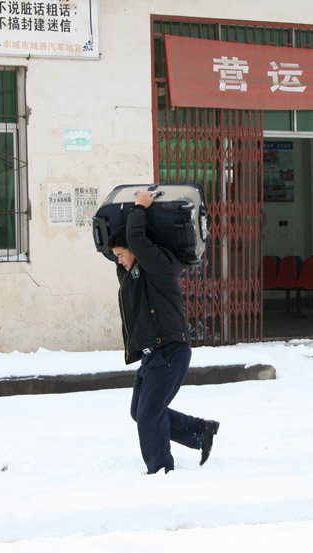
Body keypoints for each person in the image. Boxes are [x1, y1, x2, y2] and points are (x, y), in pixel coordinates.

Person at [106, 189, 219, 474]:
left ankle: (160, 469)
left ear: (134, 249)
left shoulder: (157, 266)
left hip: (168, 350)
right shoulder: (134, 276)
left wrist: (139, 210)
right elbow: (126, 253)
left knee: (148, 414)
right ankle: (199, 431)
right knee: (140, 412)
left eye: (120, 255)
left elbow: (136, 241)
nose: (119, 260)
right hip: (153, 355)